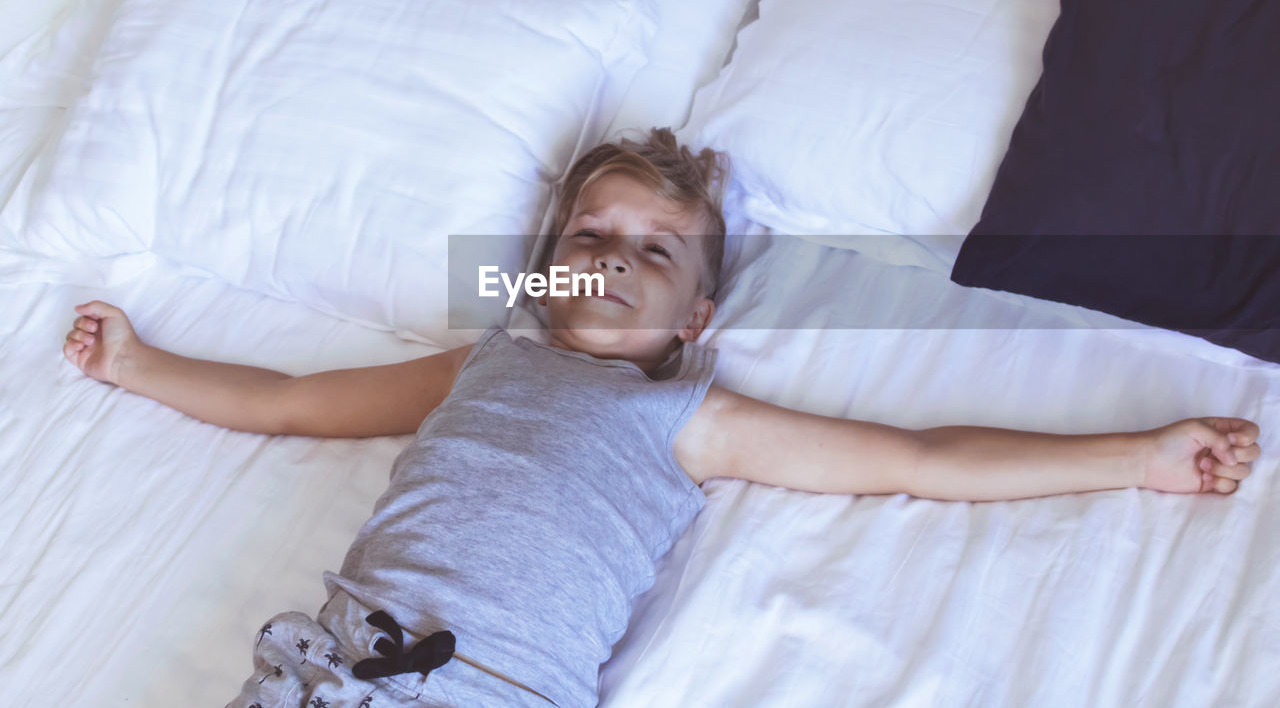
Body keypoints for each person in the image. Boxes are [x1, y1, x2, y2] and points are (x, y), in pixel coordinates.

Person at [61, 128, 1260, 708]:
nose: (612, 258)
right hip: (322, 684)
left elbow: (918, 458)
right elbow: (287, 402)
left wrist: (1135, 454)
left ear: (696, 316)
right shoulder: (479, 363)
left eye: (654, 249)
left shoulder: (686, 414)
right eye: (588, 237)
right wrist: (141, 363)